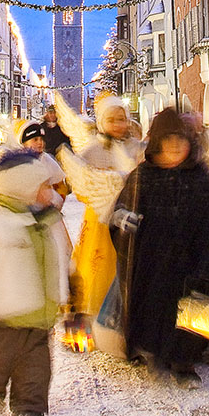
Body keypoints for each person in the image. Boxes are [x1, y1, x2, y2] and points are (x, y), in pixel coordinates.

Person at [108, 107, 209, 386]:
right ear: (158, 144)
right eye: (169, 141)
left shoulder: (200, 175)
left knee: (190, 313)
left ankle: (184, 362)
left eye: (181, 140)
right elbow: (120, 211)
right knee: (155, 309)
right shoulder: (143, 176)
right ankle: (156, 354)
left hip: (191, 261)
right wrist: (123, 220)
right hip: (152, 261)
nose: (175, 147)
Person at [0, 149, 73, 416]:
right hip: (5, 312)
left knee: (36, 365)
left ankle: (28, 405)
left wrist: (71, 295)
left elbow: (65, 257)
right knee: (2, 360)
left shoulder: (50, 222)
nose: (53, 193)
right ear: (25, 189)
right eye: (45, 187)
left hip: (41, 313)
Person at [67, 97, 140, 332]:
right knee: (99, 263)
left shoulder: (135, 147)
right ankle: (95, 307)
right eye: (112, 120)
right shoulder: (93, 150)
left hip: (131, 214)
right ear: (101, 122)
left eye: (122, 119)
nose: (118, 125)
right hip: (100, 218)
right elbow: (80, 181)